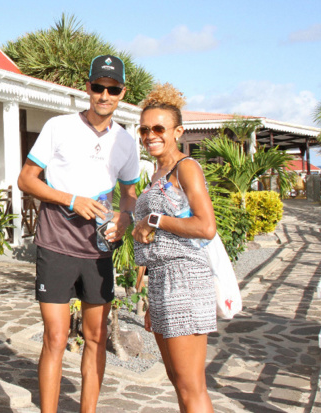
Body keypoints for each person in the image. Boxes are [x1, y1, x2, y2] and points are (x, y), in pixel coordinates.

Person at [17, 55, 140, 413]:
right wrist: (72, 199)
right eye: (98, 87)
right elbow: (26, 179)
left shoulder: (125, 142)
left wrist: (126, 219)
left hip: (99, 251)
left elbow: (130, 193)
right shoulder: (59, 127)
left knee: (96, 338)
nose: (104, 94)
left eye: (112, 89)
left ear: (122, 93)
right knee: (55, 338)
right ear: (87, 87)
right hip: (55, 245)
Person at [131, 83, 216, 412]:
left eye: (158, 128)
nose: (150, 135)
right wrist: (153, 298)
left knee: (191, 384)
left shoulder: (186, 168)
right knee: (177, 380)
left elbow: (205, 227)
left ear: (177, 131)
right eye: (144, 129)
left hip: (186, 278)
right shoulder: (158, 174)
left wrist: (154, 220)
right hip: (164, 281)